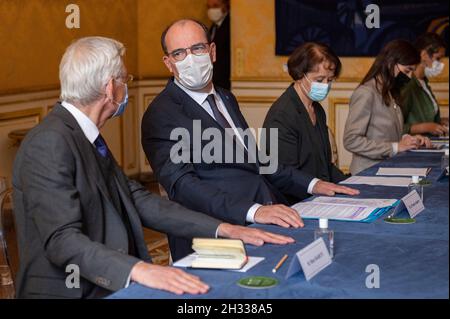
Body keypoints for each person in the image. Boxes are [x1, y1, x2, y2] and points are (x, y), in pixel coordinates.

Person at [12, 36, 296, 299]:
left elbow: (138, 199)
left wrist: (225, 229)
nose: (126, 86)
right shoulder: (50, 141)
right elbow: (62, 240)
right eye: (125, 79)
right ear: (110, 87)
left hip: (103, 282)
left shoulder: (81, 133)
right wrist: (139, 270)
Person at [141, 19, 359, 261]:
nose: (190, 58)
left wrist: (313, 184)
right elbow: (183, 186)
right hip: (215, 239)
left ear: (212, 52)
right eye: (179, 53)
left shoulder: (226, 97)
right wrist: (254, 211)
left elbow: (257, 161)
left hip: (265, 218)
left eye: (198, 48)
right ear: (169, 62)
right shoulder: (161, 114)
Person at [263, 42, 347, 205]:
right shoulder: (282, 115)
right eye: (319, 79)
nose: (325, 85)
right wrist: (318, 187)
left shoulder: (317, 109)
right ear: (300, 75)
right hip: (294, 203)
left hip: (319, 198)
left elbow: (324, 165)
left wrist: (350, 185)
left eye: (330, 80)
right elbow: (279, 173)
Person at [344, 39, 432, 175]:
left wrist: (409, 139)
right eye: (407, 70)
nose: (409, 77)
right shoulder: (366, 93)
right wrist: (396, 147)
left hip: (387, 169)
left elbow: (385, 134)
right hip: (367, 173)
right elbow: (351, 141)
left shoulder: (391, 92)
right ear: (391, 63)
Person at [400, 33, 448, 136]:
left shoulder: (424, 83)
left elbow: (423, 117)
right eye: (438, 58)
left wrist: (440, 122)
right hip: (413, 146)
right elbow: (394, 126)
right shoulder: (408, 85)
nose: (441, 64)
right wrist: (426, 127)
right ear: (424, 55)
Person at [207, 0, 231, 90]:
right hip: (215, 81)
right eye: (209, 7)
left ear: (225, 5)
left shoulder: (230, 25)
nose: (212, 10)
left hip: (225, 81)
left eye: (215, 5)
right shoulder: (213, 27)